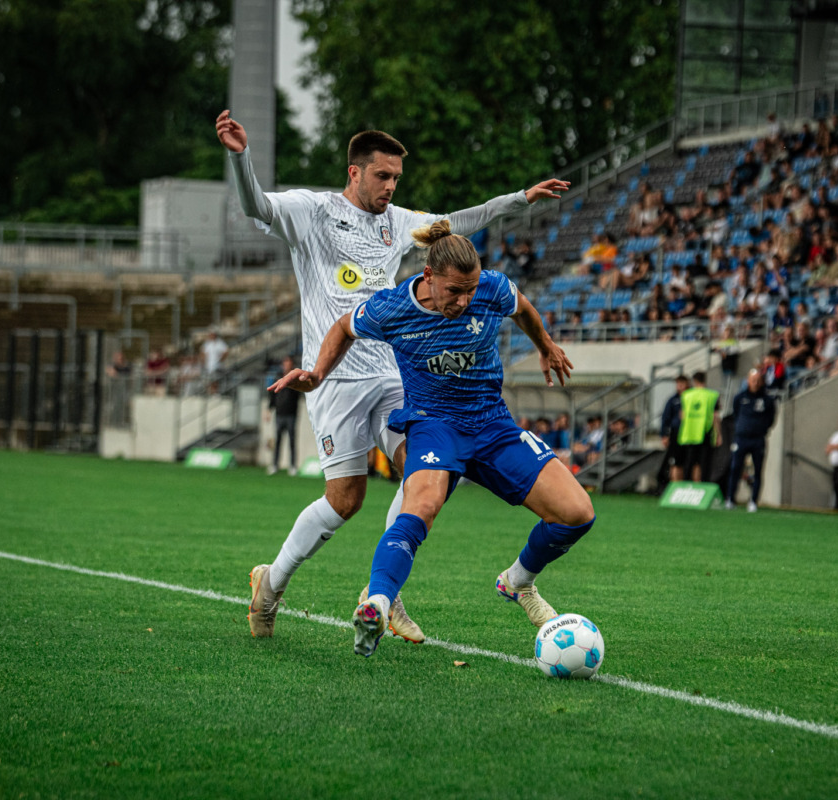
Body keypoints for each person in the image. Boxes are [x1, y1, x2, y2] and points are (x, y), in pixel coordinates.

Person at [216, 110, 570, 642]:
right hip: (332, 377)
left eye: (397, 179)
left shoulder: (397, 221)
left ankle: (383, 593)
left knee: (428, 474)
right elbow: (255, 206)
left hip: (390, 374)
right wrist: (241, 157)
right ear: (355, 172)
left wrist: (519, 198)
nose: (391, 187)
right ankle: (271, 583)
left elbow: (459, 221)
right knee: (346, 500)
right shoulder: (312, 211)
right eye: (383, 176)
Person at [275, 221, 591, 658]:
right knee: (420, 505)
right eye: (453, 292)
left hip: (493, 425)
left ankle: (517, 581)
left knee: (578, 514)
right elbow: (344, 327)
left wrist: (546, 345)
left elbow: (522, 308)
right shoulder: (392, 308)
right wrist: (317, 375)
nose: (464, 301)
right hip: (434, 425)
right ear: (429, 278)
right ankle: (377, 604)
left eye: (470, 290)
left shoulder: (492, 288)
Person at [724, 369, 777, 513]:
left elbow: (771, 419)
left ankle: (753, 501)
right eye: (753, 380)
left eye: (758, 380)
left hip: (758, 439)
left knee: (758, 470)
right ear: (748, 381)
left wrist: (761, 429)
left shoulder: (767, 400)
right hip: (741, 438)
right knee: (735, 468)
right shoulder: (740, 397)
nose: (755, 382)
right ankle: (730, 498)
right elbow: (736, 414)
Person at [675, 371, 721, 483]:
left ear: (694, 381)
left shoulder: (686, 395)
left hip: (689, 433)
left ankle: (685, 486)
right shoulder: (712, 395)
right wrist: (718, 434)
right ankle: (702, 487)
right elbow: (715, 416)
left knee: (689, 462)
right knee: (704, 463)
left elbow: (682, 415)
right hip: (705, 432)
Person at [268, 355, 301, 476]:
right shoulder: (278, 377)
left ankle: (292, 466)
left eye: (289, 363)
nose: (287, 365)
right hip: (279, 413)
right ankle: (275, 465)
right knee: (278, 441)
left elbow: (299, 394)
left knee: (292, 441)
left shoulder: (295, 379)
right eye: (285, 362)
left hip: (291, 414)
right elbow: (272, 395)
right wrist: (269, 409)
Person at [657, 374, 690, 493]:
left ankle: (684, 489)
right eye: (678, 384)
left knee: (686, 462)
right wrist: (664, 435)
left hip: (690, 434)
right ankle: (675, 489)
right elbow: (665, 418)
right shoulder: (673, 400)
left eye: (682, 384)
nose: (679, 387)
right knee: (675, 462)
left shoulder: (691, 397)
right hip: (676, 434)